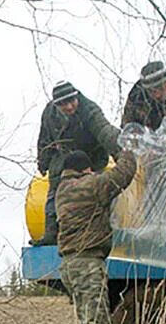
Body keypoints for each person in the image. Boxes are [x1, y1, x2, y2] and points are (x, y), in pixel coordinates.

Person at [54, 148, 138, 324]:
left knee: (86, 323)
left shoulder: (62, 189)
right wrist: (125, 150)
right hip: (87, 263)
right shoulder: (89, 186)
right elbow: (123, 175)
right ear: (86, 169)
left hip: (70, 264)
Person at [35, 81, 120, 245]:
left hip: (92, 158)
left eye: (71, 101)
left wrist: (118, 151)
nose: (68, 107)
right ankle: (51, 234)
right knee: (54, 192)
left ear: (76, 96)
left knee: (94, 194)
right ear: (56, 105)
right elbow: (44, 139)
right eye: (63, 104)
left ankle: (98, 234)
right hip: (64, 157)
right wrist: (43, 161)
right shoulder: (49, 114)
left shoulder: (89, 110)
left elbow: (104, 131)